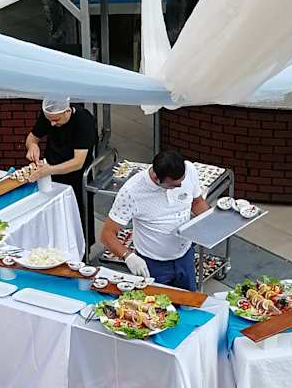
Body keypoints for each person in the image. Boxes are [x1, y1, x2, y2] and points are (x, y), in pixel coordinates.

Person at [99, 148, 209, 290]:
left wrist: (213, 221)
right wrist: (128, 256)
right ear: (157, 179)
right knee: (154, 303)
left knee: (190, 300)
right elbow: (107, 234)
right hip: (153, 264)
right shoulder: (131, 192)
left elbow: (197, 202)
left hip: (185, 257)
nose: (180, 186)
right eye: (174, 185)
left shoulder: (190, 171)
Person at [25, 98, 97, 217]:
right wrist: (32, 146)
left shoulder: (83, 120)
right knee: (53, 214)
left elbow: (77, 162)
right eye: (49, 120)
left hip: (76, 177)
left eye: (56, 120)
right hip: (50, 173)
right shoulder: (49, 115)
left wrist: (49, 170)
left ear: (67, 111)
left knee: (77, 216)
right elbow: (32, 137)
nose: (52, 124)